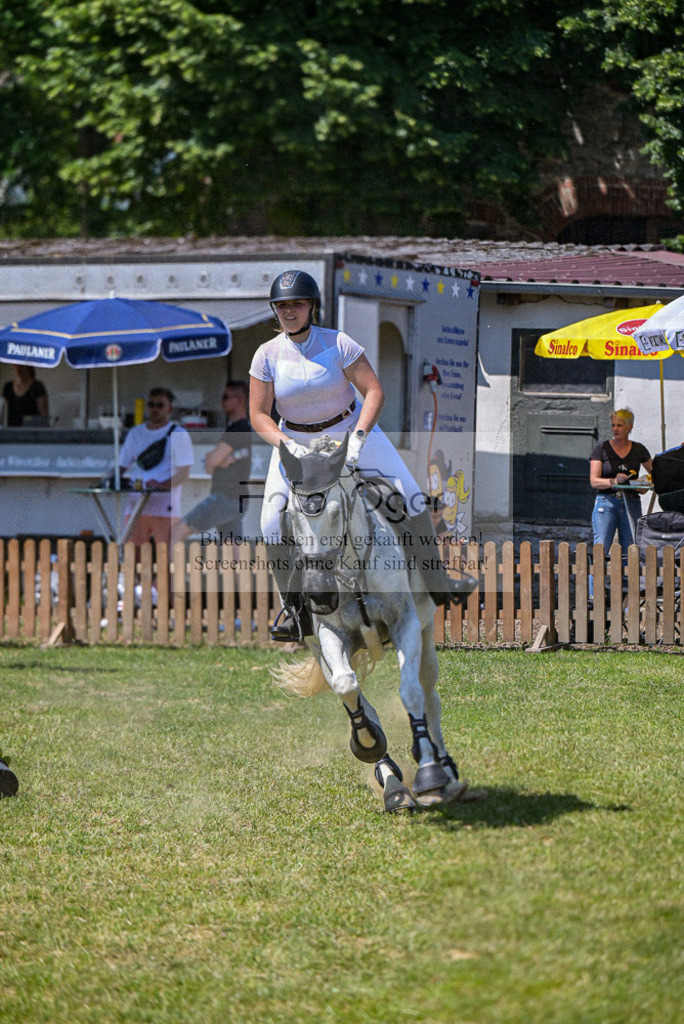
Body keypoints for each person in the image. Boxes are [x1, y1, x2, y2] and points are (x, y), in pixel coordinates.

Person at [249, 269, 476, 642]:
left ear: (312, 307)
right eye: (283, 306)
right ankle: (295, 610)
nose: (290, 311)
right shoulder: (266, 355)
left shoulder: (339, 343)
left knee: (411, 497)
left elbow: (374, 391)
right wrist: (286, 445)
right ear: (276, 311)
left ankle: (438, 582)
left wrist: (356, 438)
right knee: (271, 522)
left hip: (351, 431)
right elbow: (258, 414)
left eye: (297, 304)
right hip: (294, 443)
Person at [172, 380, 252, 546]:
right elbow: (211, 465)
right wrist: (215, 460)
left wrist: (214, 459)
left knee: (177, 532)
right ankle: (238, 573)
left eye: (225, 397)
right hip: (238, 499)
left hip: (225, 497)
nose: (221, 401)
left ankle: (169, 572)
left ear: (239, 400)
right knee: (234, 551)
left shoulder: (238, 429)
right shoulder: (242, 428)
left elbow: (210, 462)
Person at [117, 387, 194, 548]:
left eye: (160, 405)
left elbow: (184, 474)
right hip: (136, 506)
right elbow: (121, 467)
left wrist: (161, 485)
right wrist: (108, 481)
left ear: (169, 409)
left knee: (166, 560)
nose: (154, 409)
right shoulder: (135, 433)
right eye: (151, 405)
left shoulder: (179, 434)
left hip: (166, 507)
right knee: (133, 558)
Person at [589, 408, 652, 589]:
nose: (615, 429)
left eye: (620, 425)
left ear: (630, 427)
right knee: (601, 548)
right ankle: (594, 597)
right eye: (613, 425)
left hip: (630, 502)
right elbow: (594, 481)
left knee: (630, 549)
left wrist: (642, 486)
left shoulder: (639, 449)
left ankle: (627, 598)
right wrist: (613, 481)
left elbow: (654, 474)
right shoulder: (602, 448)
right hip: (606, 502)